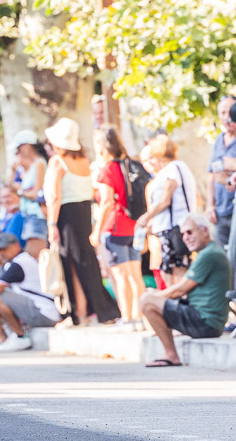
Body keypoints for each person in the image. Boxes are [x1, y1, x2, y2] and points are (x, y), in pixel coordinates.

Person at [43, 118, 120, 325]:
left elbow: (53, 197)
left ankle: (77, 312)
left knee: (70, 264)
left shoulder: (57, 162)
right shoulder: (84, 161)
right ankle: (90, 310)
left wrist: (52, 225)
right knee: (86, 263)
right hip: (84, 213)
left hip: (66, 217)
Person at [140, 214, 231, 366]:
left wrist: (154, 297)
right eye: (182, 234)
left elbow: (179, 291)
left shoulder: (209, 254)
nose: (185, 238)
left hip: (205, 322)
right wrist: (156, 295)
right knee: (151, 295)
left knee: (146, 301)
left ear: (205, 231)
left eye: (190, 232)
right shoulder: (208, 252)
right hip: (203, 318)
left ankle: (171, 354)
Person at [91, 124, 145, 328]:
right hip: (134, 226)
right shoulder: (131, 165)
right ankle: (138, 316)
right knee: (135, 274)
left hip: (114, 227)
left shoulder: (108, 170)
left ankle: (128, 317)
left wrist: (96, 230)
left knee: (121, 276)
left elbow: (106, 202)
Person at [137, 134, 195, 286]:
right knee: (168, 272)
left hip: (174, 229)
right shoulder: (176, 168)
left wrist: (146, 217)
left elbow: (165, 200)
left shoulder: (173, 169)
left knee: (177, 273)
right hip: (169, 229)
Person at [205, 95, 236, 249]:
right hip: (220, 212)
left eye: (230, 112)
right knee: (224, 261)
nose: (227, 117)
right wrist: (210, 205)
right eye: (222, 113)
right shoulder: (218, 140)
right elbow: (211, 175)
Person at [13, 130, 48, 257]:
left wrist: (20, 192)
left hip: (36, 216)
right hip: (30, 216)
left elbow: (37, 193)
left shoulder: (39, 164)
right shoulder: (32, 166)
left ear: (27, 145)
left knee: (36, 256)